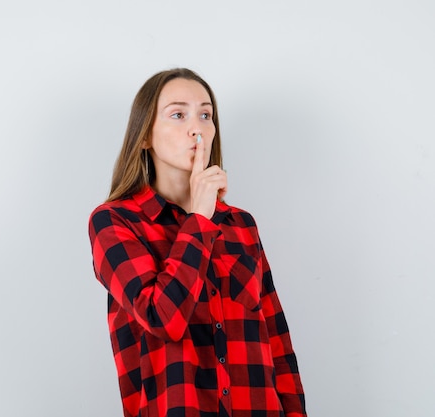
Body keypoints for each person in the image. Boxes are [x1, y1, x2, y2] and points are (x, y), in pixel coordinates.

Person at [88, 68, 306, 417]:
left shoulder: (240, 224)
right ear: (144, 136)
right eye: (178, 114)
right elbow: (163, 318)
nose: (197, 128)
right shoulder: (115, 222)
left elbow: (276, 339)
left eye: (206, 115)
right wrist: (200, 218)